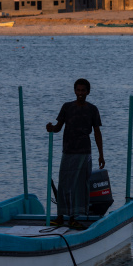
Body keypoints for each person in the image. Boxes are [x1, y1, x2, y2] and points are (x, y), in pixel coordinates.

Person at [46, 78, 104, 229]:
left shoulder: (92, 109)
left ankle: (74, 218)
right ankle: (60, 216)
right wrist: (51, 128)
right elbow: (58, 127)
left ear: (88, 92)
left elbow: (97, 132)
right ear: (74, 91)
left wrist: (101, 154)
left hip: (84, 153)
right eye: (78, 90)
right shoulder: (67, 107)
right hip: (68, 151)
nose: (80, 93)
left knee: (79, 186)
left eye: (83, 90)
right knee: (64, 184)